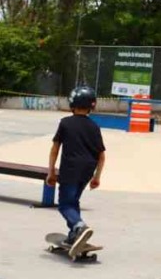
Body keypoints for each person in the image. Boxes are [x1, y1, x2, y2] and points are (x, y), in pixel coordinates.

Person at [47, 85, 105, 258]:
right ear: (91, 105)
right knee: (74, 201)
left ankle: (79, 226)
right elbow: (102, 156)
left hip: (70, 168)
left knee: (64, 204)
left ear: (72, 103)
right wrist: (96, 177)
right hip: (88, 169)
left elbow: (55, 149)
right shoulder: (94, 126)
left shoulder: (65, 123)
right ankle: (75, 234)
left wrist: (50, 172)